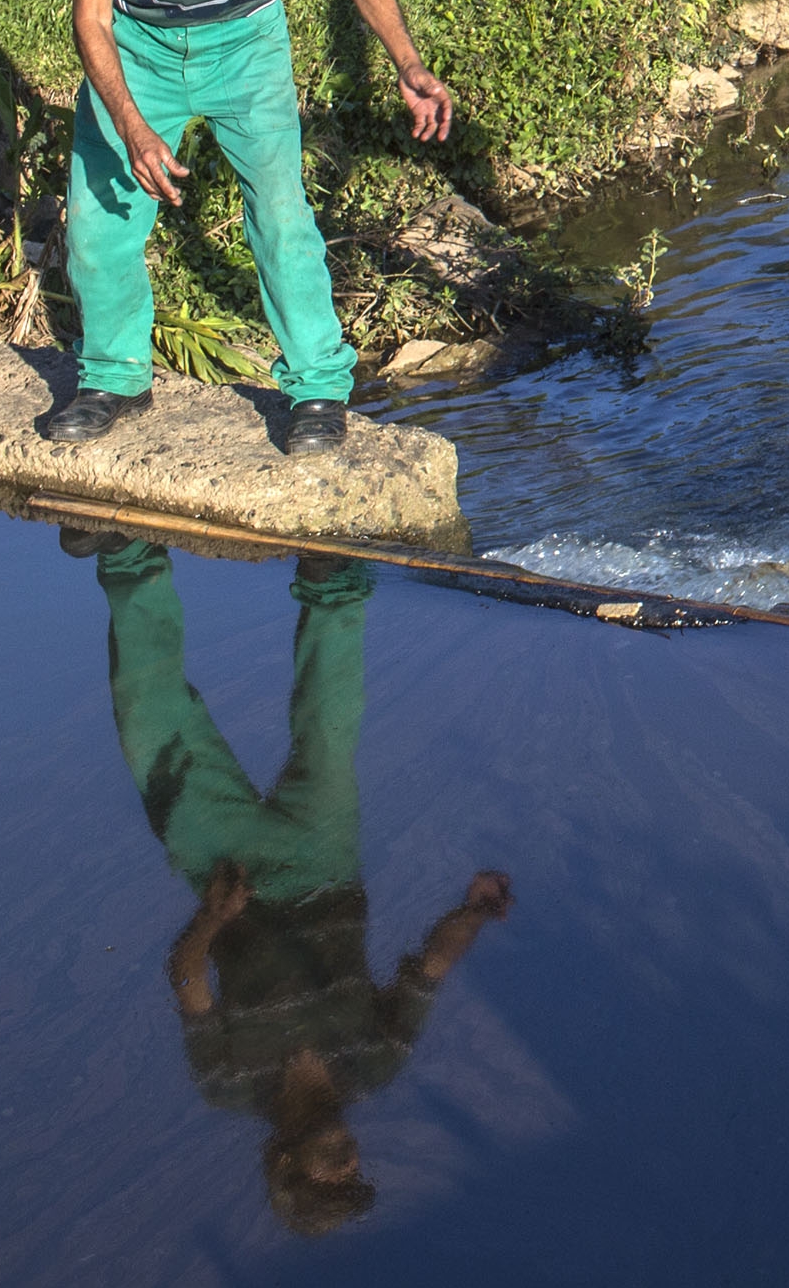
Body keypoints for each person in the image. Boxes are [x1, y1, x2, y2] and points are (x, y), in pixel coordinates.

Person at [76, 527, 512, 1234]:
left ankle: (128, 554)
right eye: (356, 1177)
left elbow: (187, 979)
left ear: (285, 1164)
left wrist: (216, 917)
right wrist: (473, 911)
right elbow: (427, 969)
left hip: (229, 878)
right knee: (328, 731)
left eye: (331, 1181)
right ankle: (333, 575)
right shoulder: (375, 1063)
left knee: (151, 730)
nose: (350, 1165)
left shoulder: (227, 1082)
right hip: (322, 863)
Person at [46, 0, 454, 457]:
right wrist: (134, 126)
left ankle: (319, 388)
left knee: (281, 213)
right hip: (138, 46)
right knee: (99, 223)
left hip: (248, 46)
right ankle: (114, 375)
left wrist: (409, 64)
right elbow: (92, 20)